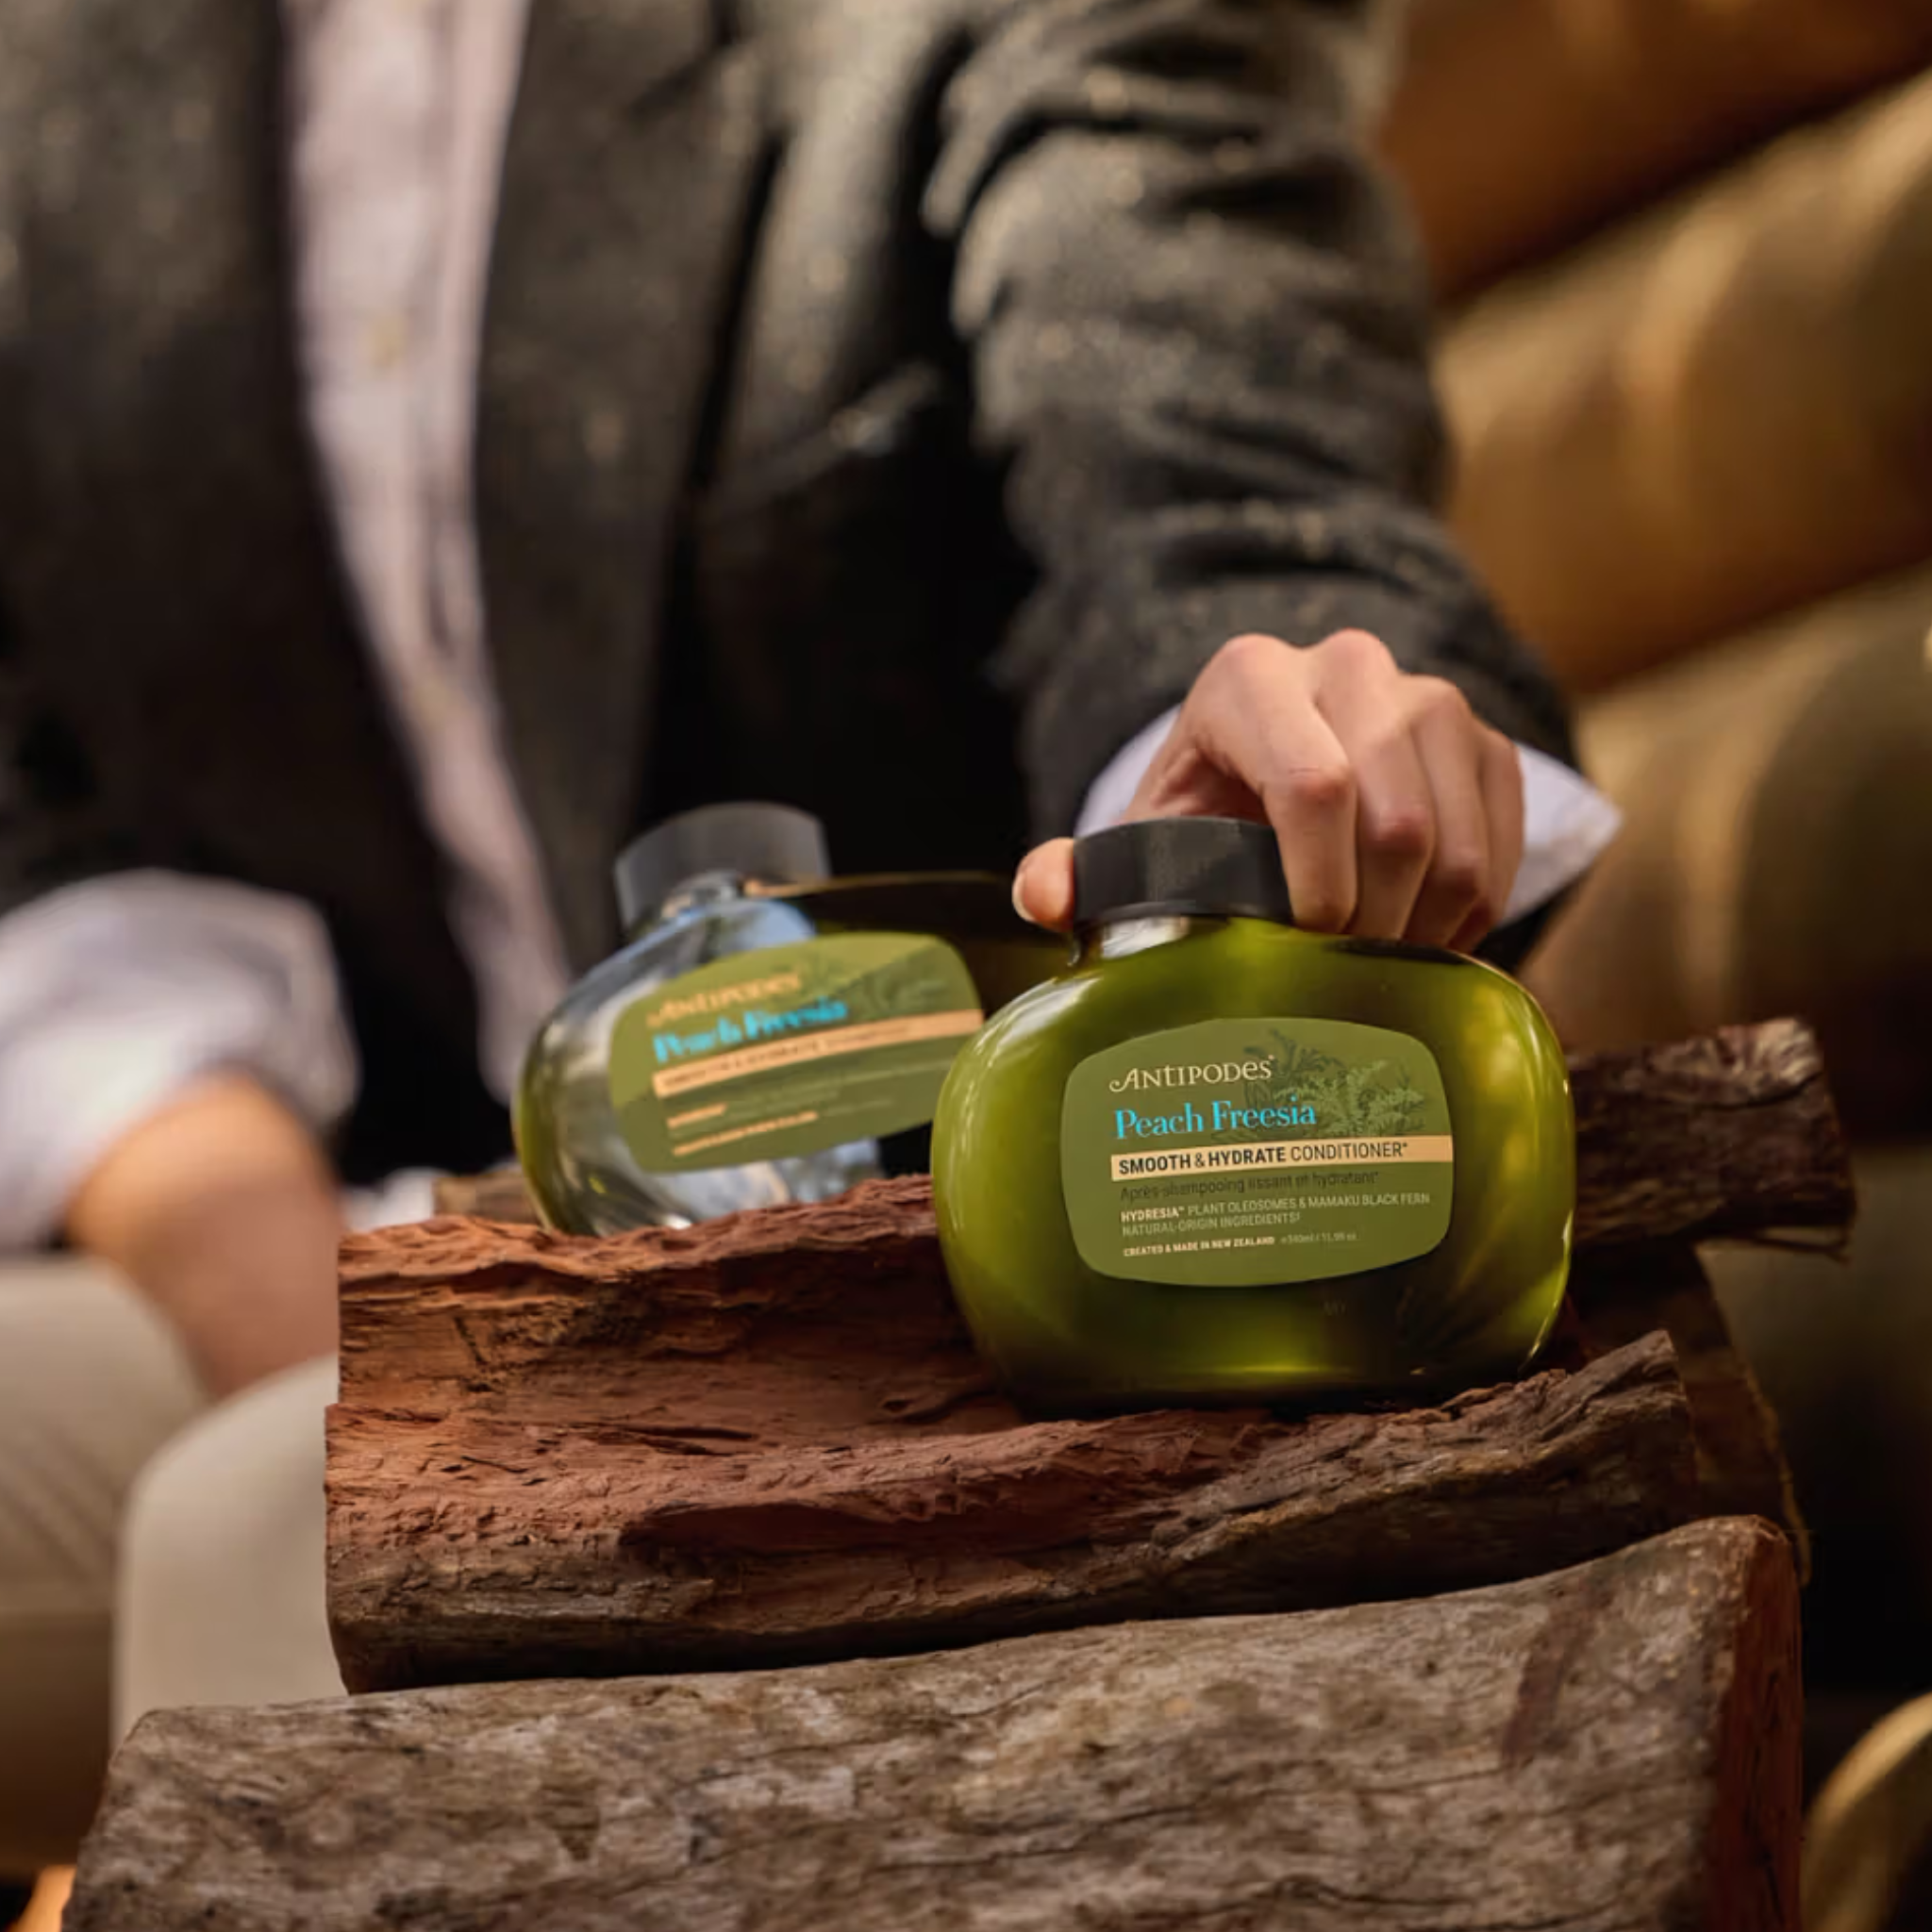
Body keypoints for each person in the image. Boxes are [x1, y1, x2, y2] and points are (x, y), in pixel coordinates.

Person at [0, 0, 1614, 1874]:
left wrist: (1261, 776)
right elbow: (35, 791)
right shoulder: (62, 65)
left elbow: (1220, 474)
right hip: (370, 1215)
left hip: (970, 1273)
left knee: (258, 1530)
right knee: (279, 1476)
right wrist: (287, 1286)